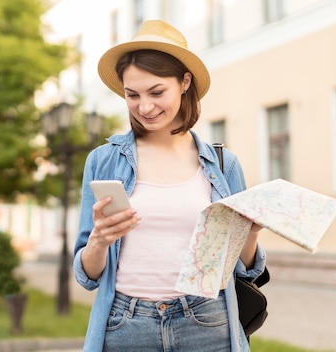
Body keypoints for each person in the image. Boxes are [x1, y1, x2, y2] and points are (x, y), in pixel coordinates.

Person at [73, 20, 266, 351]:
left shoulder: (223, 166)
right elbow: (87, 276)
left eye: (156, 92)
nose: (144, 107)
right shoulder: (104, 161)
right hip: (126, 325)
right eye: (132, 95)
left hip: (206, 320)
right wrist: (98, 242)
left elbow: (245, 271)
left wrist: (250, 233)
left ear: (184, 82)